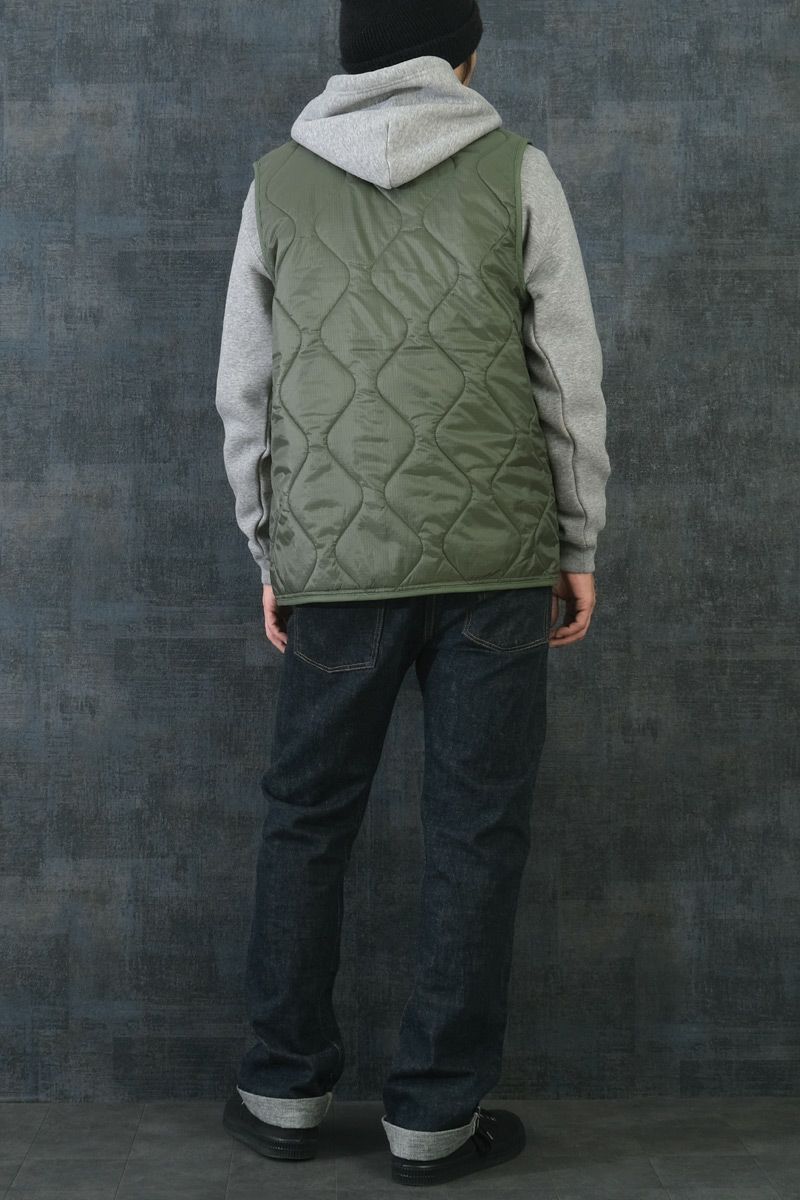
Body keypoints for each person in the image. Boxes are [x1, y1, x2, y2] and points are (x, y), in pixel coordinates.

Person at [214, 0, 611, 1186]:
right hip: (496, 565)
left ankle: (281, 1092)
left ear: (347, 61)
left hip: (335, 570)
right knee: (474, 834)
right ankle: (433, 1120)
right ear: (461, 58)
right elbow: (567, 372)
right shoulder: (516, 169)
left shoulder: (278, 183)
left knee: (306, 821)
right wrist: (576, 538)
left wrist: (272, 550)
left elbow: (245, 390)